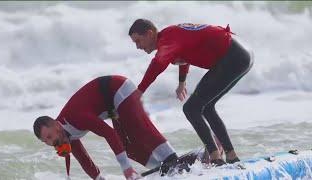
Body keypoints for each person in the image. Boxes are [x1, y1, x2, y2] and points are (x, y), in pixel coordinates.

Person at [128, 19, 254, 166]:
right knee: (206, 107)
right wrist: (182, 82)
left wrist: (139, 91)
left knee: (191, 109)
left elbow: (157, 64)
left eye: (138, 41)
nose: (137, 47)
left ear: (149, 34)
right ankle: (231, 156)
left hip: (232, 56)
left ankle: (215, 157)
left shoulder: (167, 41)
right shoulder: (170, 35)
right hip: (241, 53)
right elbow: (185, 54)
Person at [33, 75, 181, 180]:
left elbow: (108, 133)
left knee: (137, 128)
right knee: (127, 149)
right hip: (111, 108)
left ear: (55, 125)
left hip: (117, 88)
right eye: (46, 141)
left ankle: (171, 158)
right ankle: (161, 169)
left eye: (49, 136)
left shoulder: (74, 117)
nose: (52, 143)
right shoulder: (67, 135)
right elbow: (84, 160)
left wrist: (126, 169)